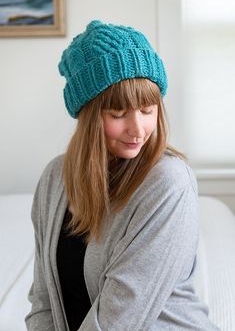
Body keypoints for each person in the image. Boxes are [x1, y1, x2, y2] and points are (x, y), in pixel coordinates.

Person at [25, 20, 220, 331]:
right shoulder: (54, 179)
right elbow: (43, 301)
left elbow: (120, 318)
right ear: (87, 115)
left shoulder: (169, 182)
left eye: (147, 110)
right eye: (117, 114)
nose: (138, 129)